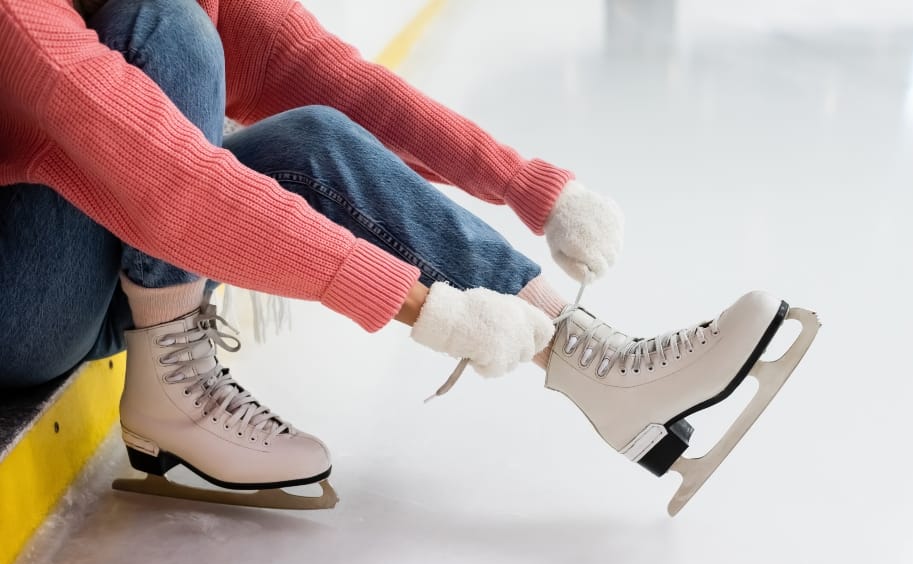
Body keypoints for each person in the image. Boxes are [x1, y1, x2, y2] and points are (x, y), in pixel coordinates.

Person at [0, 0, 818, 515]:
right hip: (18, 305)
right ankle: (172, 388)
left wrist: (529, 185)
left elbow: (333, 81)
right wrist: (425, 307)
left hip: (97, 267)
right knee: (168, 27)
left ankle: (594, 361)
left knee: (306, 132)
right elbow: (169, 179)